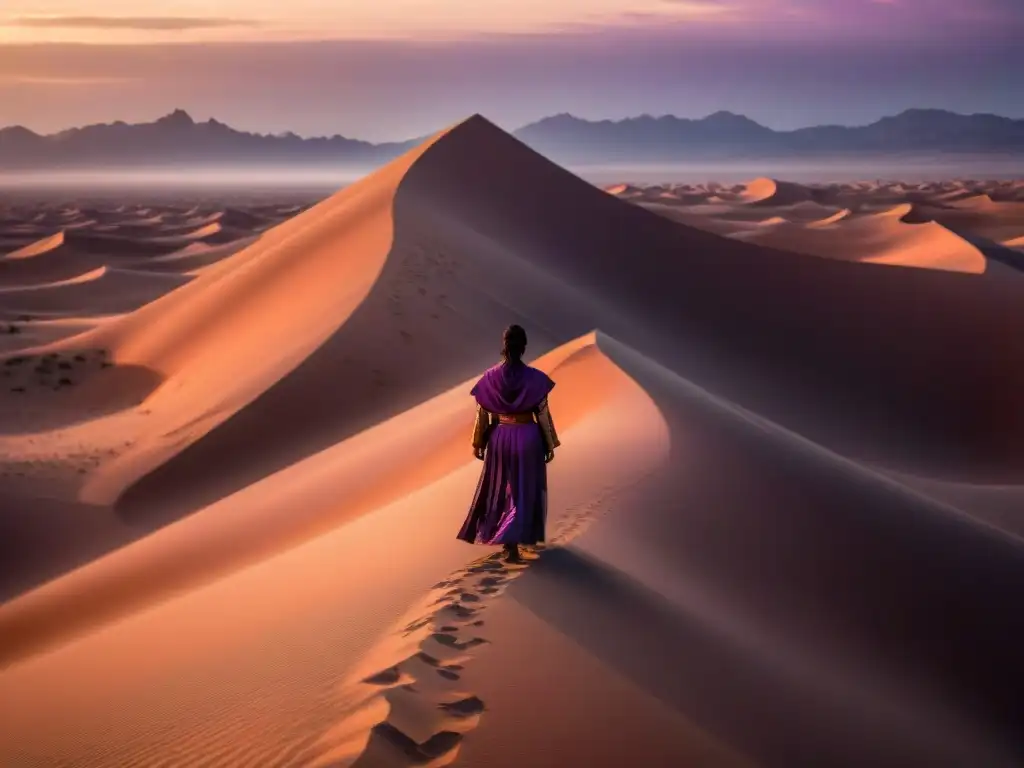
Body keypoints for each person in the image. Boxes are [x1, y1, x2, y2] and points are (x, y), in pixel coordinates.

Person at [456, 324, 560, 563]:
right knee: (524, 489)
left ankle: (509, 543)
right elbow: (542, 413)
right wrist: (549, 442)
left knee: (502, 488)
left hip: (500, 437)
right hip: (528, 436)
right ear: (523, 347)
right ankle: (516, 537)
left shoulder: (490, 377)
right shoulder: (535, 378)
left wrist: (478, 442)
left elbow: (482, 413)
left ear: (504, 345)